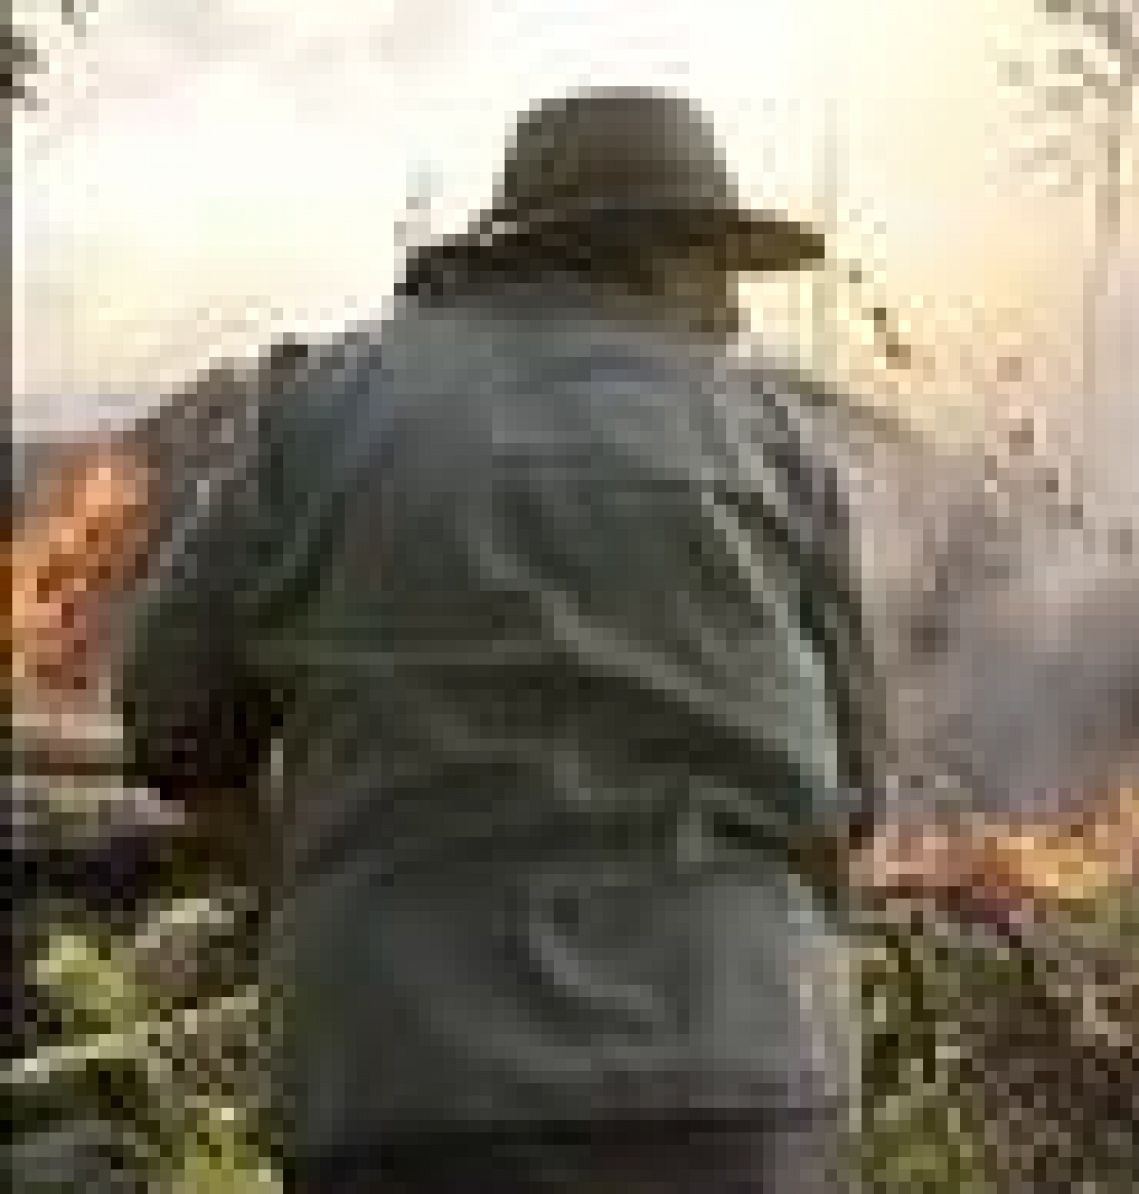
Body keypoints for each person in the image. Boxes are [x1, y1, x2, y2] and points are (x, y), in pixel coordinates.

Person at [117, 87, 897, 1193]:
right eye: (720, 268)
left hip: (396, 1093)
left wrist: (310, 881)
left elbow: (169, 718)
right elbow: (855, 796)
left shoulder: (319, 408)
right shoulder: (775, 440)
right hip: (739, 1088)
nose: (731, 313)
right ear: (658, 254)